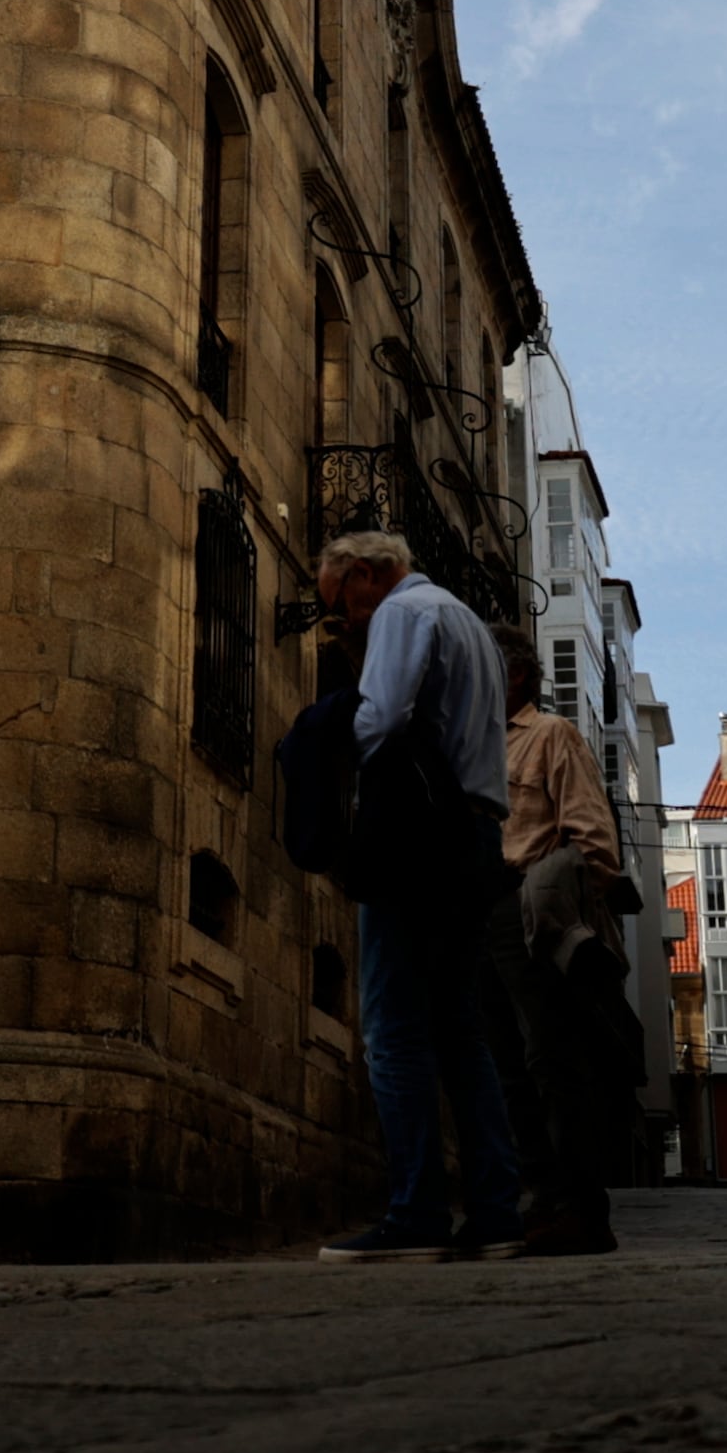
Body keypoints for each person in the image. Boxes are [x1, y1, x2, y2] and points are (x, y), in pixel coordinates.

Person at [310, 530, 525, 1261]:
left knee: (394, 1026)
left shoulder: (404, 615)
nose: (347, 622)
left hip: (416, 837)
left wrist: (322, 737)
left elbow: (382, 717)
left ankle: (416, 1213)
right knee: (460, 1030)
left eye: (341, 606)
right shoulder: (467, 620)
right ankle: (497, 1212)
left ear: (368, 576)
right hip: (474, 834)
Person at [489, 650, 638, 1255]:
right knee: (508, 1070)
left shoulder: (552, 735)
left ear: (519, 673)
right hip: (483, 912)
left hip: (530, 908)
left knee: (551, 1061)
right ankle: (546, 1201)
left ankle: (582, 1209)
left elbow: (596, 843)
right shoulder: (477, 743)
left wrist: (552, 902)